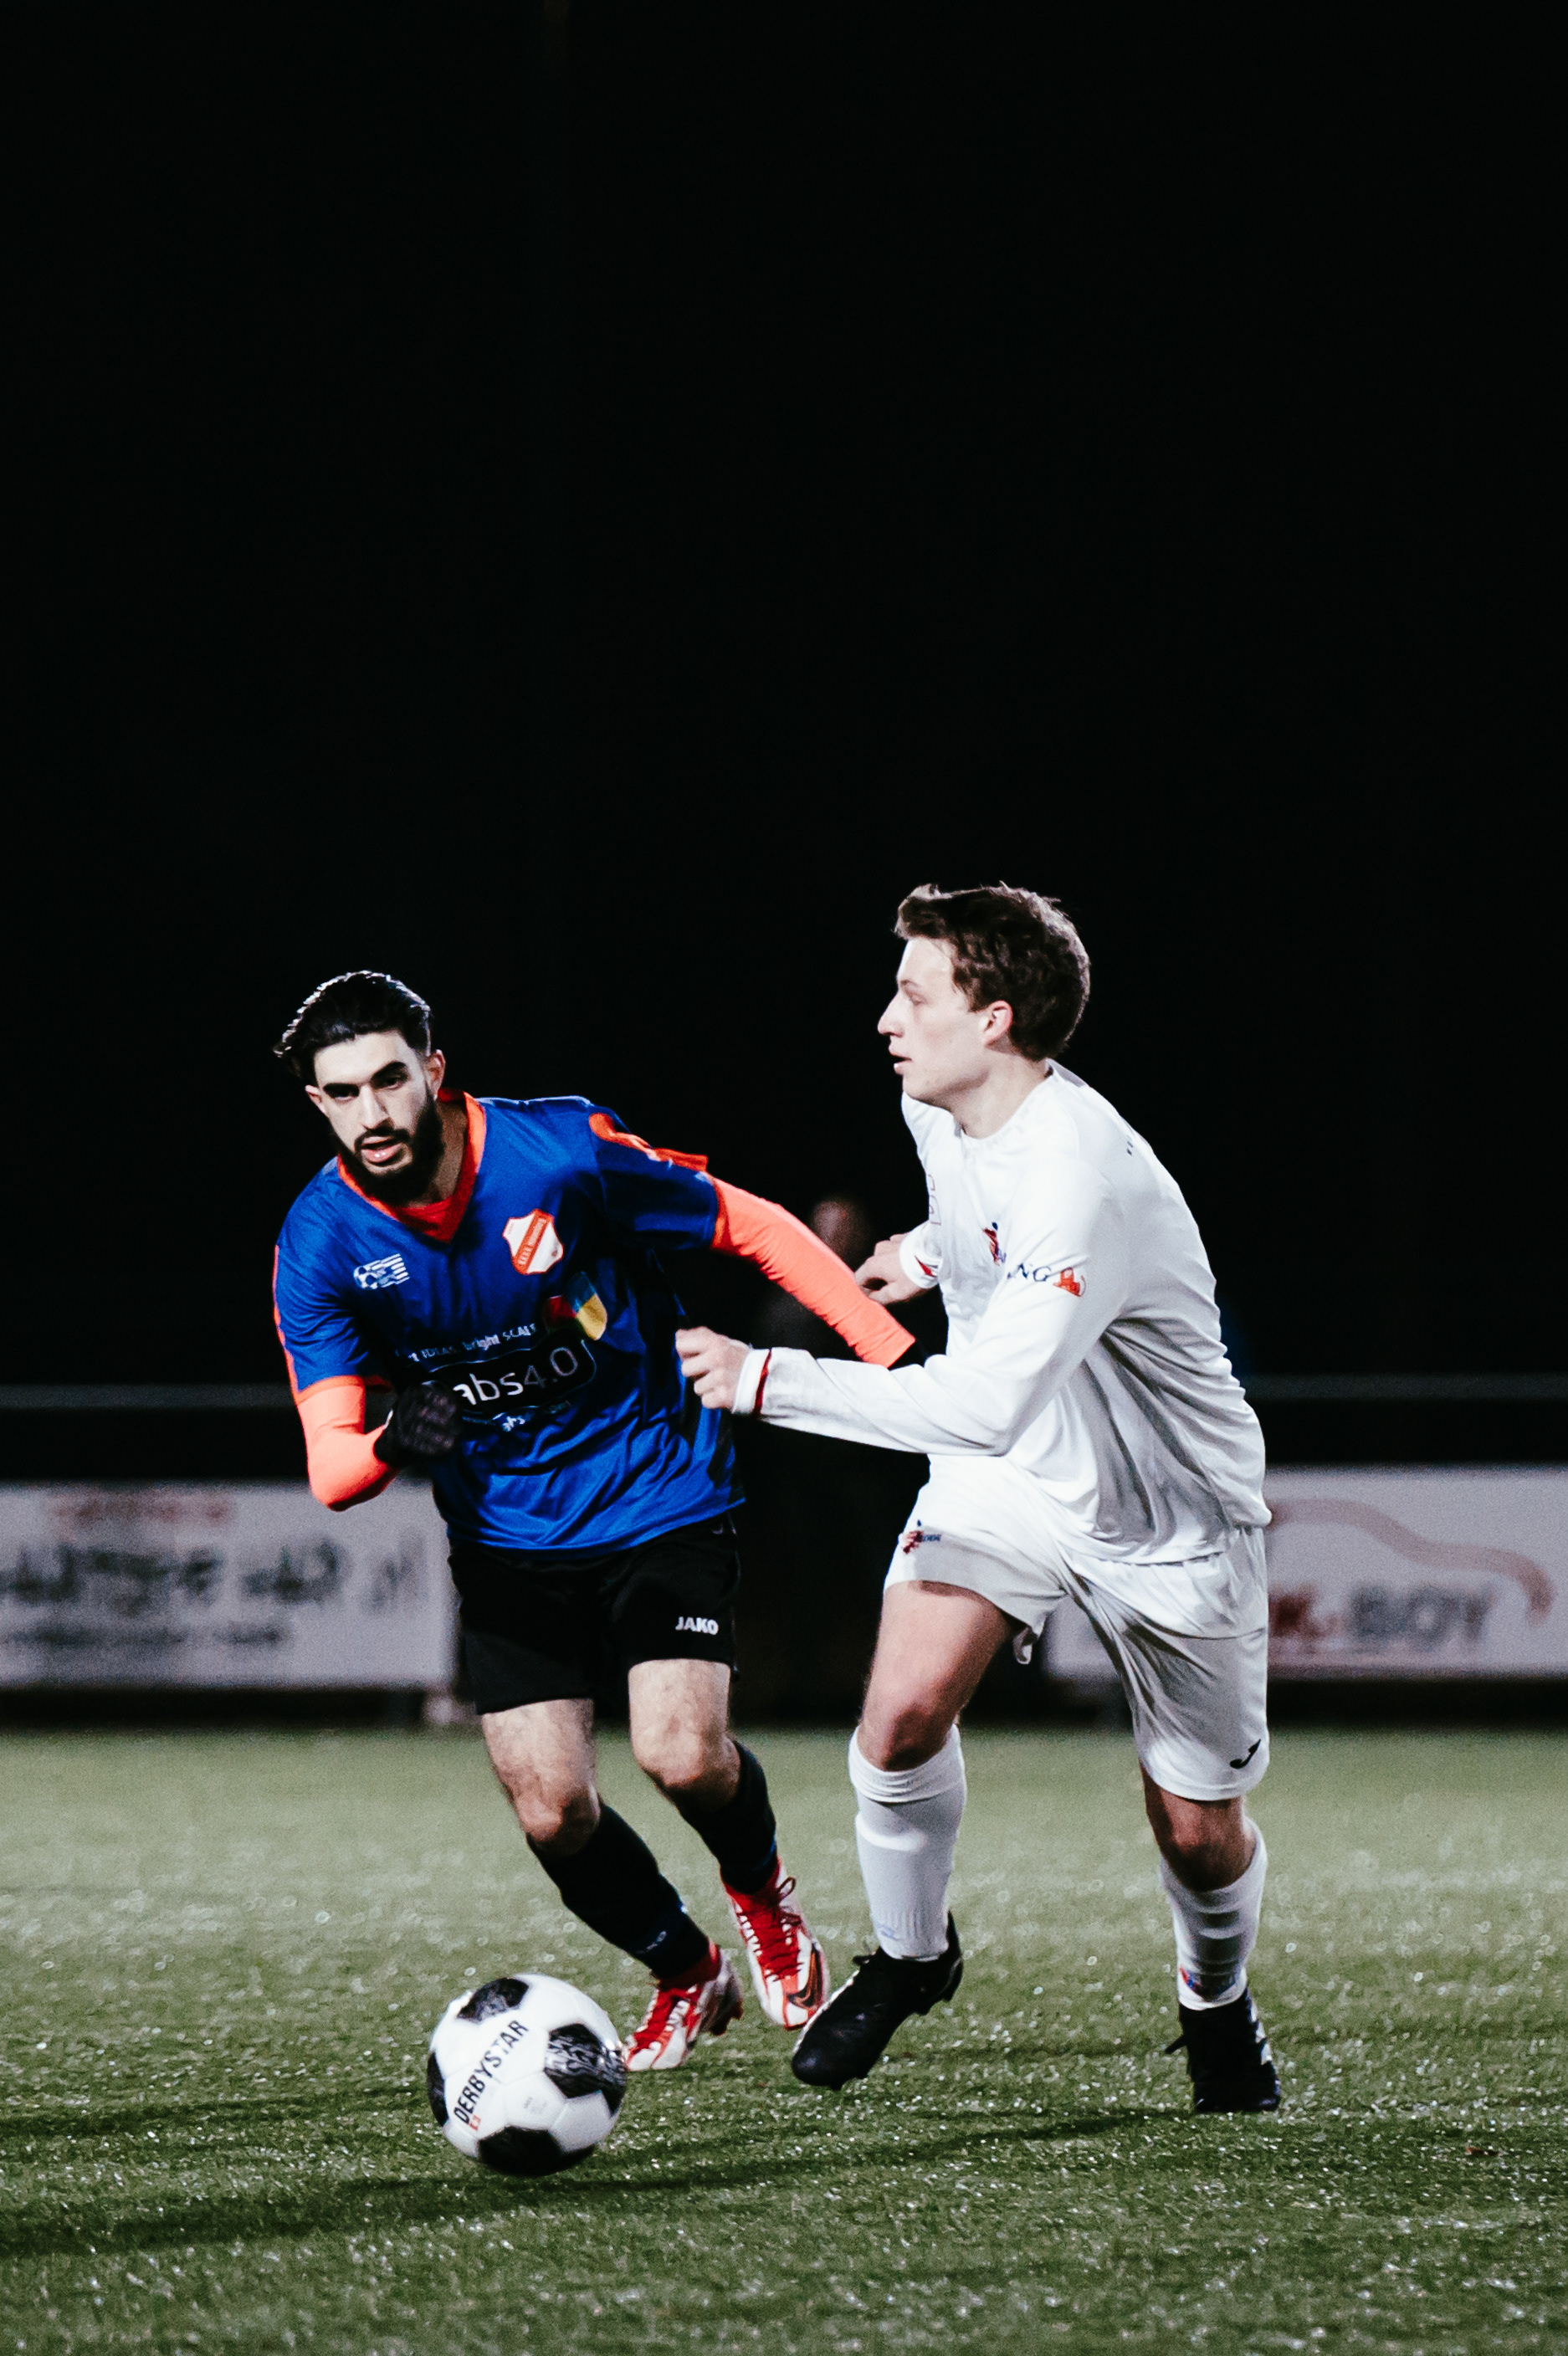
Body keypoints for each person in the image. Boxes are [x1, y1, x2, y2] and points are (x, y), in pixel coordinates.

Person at [676, 884, 1282, 2113]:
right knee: (898, 1718)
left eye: (915, 993)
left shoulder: (1080, 1177)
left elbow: (983, 1400)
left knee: (1196, 1830)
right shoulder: (938, 1105)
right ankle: (911, 1956)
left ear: (994, 1018)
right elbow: (979, 1227)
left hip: (1164, 1514)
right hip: (1010, 1477)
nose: (887, 1017)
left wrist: (766, 1379)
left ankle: (1216, 2005)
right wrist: (925, 1252)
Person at [270, 971, 914, 2070]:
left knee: (681, 1755)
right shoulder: (319, 1242)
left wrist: (892, 1359)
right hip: (509, 1537)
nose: (372, 1111)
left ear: (432, 1071)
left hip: (656, 1486)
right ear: (317, 1105)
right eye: (343, 1093)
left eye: (389, 1080)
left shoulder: (555, 1155)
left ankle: (763, 1898)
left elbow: (750, 1225)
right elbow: (333, 1468)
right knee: (550, 1810)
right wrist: (392, 1441)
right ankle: (686, 1969)